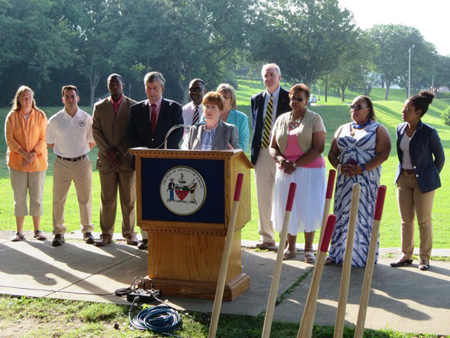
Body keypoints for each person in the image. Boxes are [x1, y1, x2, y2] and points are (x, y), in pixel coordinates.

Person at [327, 96, 391, 267]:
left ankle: (362, 257)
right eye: (352, 106)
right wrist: (340, 167)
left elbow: (384, 154)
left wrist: (362, 168)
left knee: (362, 216)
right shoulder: (343, 128)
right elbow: (332, 153)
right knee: (341, 215)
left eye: (358, 106)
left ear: (368, 110)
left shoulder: (378, 129)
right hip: (344, 182)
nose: (354, 109)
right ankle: (336, 254)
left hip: (366, 182)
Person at [269, 84, 326, 262]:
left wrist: (296, 163)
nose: (295, 102)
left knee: (308, 207)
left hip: (310, 170)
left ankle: (309, 249)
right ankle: (290, 247)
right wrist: (281, 161)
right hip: (285, 170)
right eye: (293, 98)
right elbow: (272, 147)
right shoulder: (281, 119)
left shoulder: (315, 118)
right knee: (288, 208)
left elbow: (319, 147)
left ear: (307, 100)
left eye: (299, 99)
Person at [127, 71, 183, 249]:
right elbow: (131, 135)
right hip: (142, 163)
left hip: (167, 162)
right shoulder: (136, 109)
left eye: (155, 88)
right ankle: (146, 237)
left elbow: (178, 133)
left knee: (166, 198)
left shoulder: (174, 108)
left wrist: (161, 154)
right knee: (144, 200)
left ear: (162, 88)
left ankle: (166, 235)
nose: (152, 92)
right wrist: (144, 153)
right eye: (149, 88)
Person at [390, 90, 445, 271]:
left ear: (418, 112)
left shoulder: (429, 132)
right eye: (404, 108)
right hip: (403, 179)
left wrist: (430, 177)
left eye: (407, 109)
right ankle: (406, 255)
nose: (403, 111)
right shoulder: (400, 129)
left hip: (424, 181)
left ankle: (424, 258)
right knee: (406, 220)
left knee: (423, 220)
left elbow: (440, 157)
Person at [46, 85, 96, 247]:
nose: (70, 99)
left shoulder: (86, 118)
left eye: (72, 96)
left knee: (85, 198)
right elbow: (50, 142)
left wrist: (79, 152)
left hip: (82, 163)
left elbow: (92, 140)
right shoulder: (55, 120)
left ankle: (87, 230)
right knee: (58, 199)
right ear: (62, 99)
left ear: (78, 98)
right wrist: (64, 153)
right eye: (66, 97)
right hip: (62, 164)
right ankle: (59, 232)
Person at [92, 74, 138, 247]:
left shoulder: (133, 106)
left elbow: (133, 132)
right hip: (106, 161)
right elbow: (95, 131)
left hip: (126, 160)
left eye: (117, 83)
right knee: (107, 199)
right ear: (108, 86)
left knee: (128, 200)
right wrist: (108, 152)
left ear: (123, 85)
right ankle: (106, 234)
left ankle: (130, 233)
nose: (114, 86)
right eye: (111, 83)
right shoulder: (99, 107)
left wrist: (119, 151)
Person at [250, 63, 291, 249]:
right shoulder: (256, 99)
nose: (268, 78)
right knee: (263, 196)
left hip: (283, 153)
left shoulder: (288, 97)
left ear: (279, 77)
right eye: (265, 75)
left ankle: (285, 237)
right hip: (261, 152)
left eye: (272, 75)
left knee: (282, 196)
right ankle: (267, 237)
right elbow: (257, 125)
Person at [5, 86, 48, 242]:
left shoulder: (40, 116)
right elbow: (10, 139)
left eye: (29, 97)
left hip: (37, 163)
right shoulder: (12, 117)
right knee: (20, 198)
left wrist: (32, 155)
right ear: (18, 99)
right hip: (17, 164)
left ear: (32, 98)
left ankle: (37, 230)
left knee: (37, 197)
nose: (27, 100)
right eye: (24, 97)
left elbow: (44, 138)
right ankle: (19, 232)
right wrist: (24, 154)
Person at [216, 83, 250, 152]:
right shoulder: (207, 115)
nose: (221, 100)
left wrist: (230, 151)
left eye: (224, 97)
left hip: (233, 159)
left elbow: (243, 145)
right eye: (219, 97)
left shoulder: (242, 118)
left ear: (232, 100)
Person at [181, 79, 207, 149]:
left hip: (204, 151)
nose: (194, 92)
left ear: (204, 91)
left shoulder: (210, 110)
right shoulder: (184, 110)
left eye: (198, 89)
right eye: (191, 89)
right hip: (186, 150)